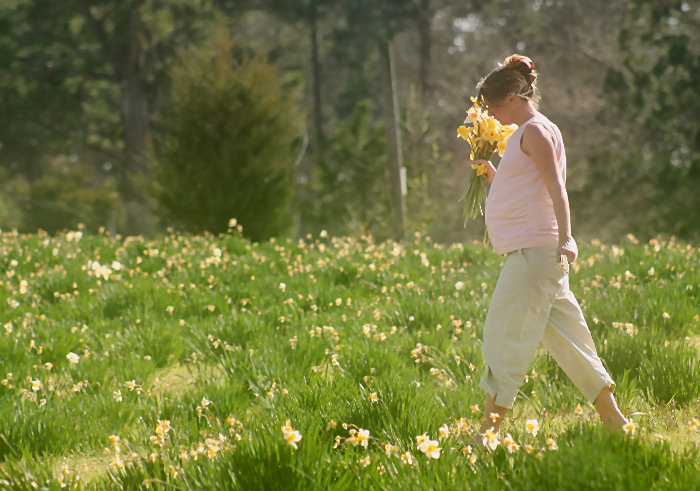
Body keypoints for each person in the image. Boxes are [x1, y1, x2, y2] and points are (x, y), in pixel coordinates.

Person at [470, 54, 629, 441]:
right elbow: (527, 187)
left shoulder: (536, 132)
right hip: (538, 256)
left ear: (512, 96)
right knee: (570, 340)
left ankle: (488, 436)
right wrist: (491, 174)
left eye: (492, 105)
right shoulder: (528, 132)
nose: (491, 113)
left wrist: (567, 237)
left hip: (534, 255)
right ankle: (616, 423)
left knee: (503, 335)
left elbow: (557, 188)